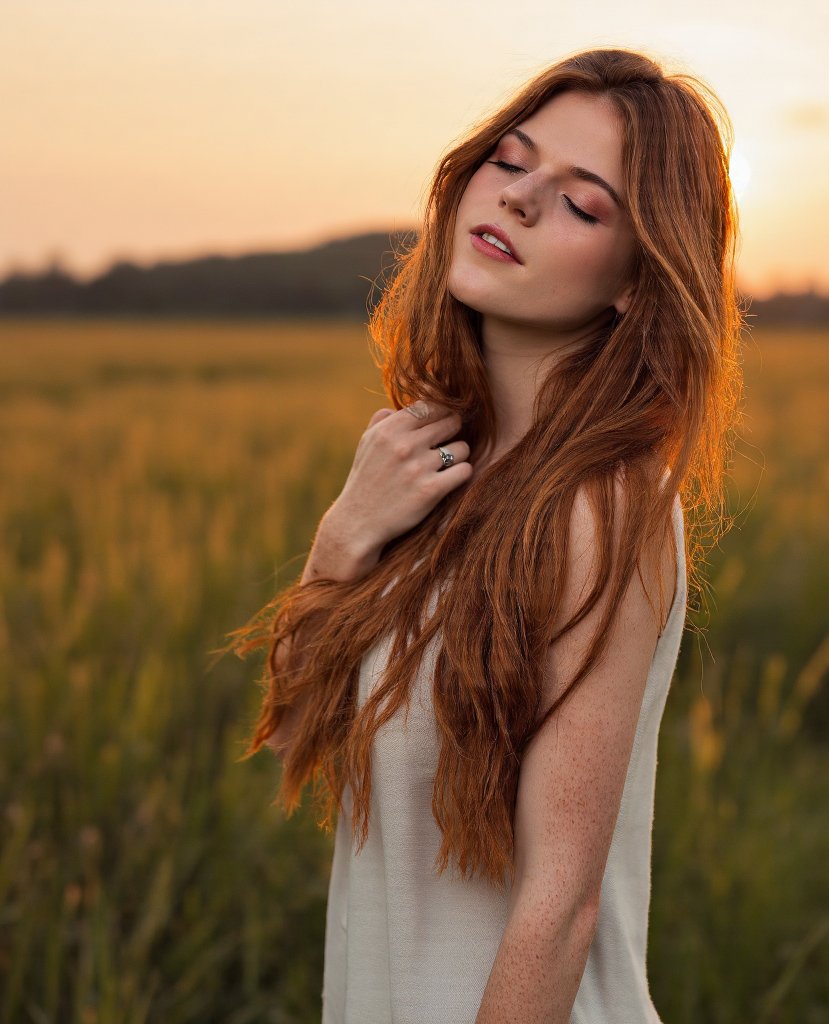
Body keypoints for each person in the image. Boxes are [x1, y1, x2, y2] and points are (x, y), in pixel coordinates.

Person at [226, 45, 744, 1024]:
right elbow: (297, 732)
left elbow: (560, 905)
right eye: (510, 162)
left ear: (638, 278)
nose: (519, 199)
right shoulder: (425, 464)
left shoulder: (603, 504)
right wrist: (342, 538)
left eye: (584, 204)